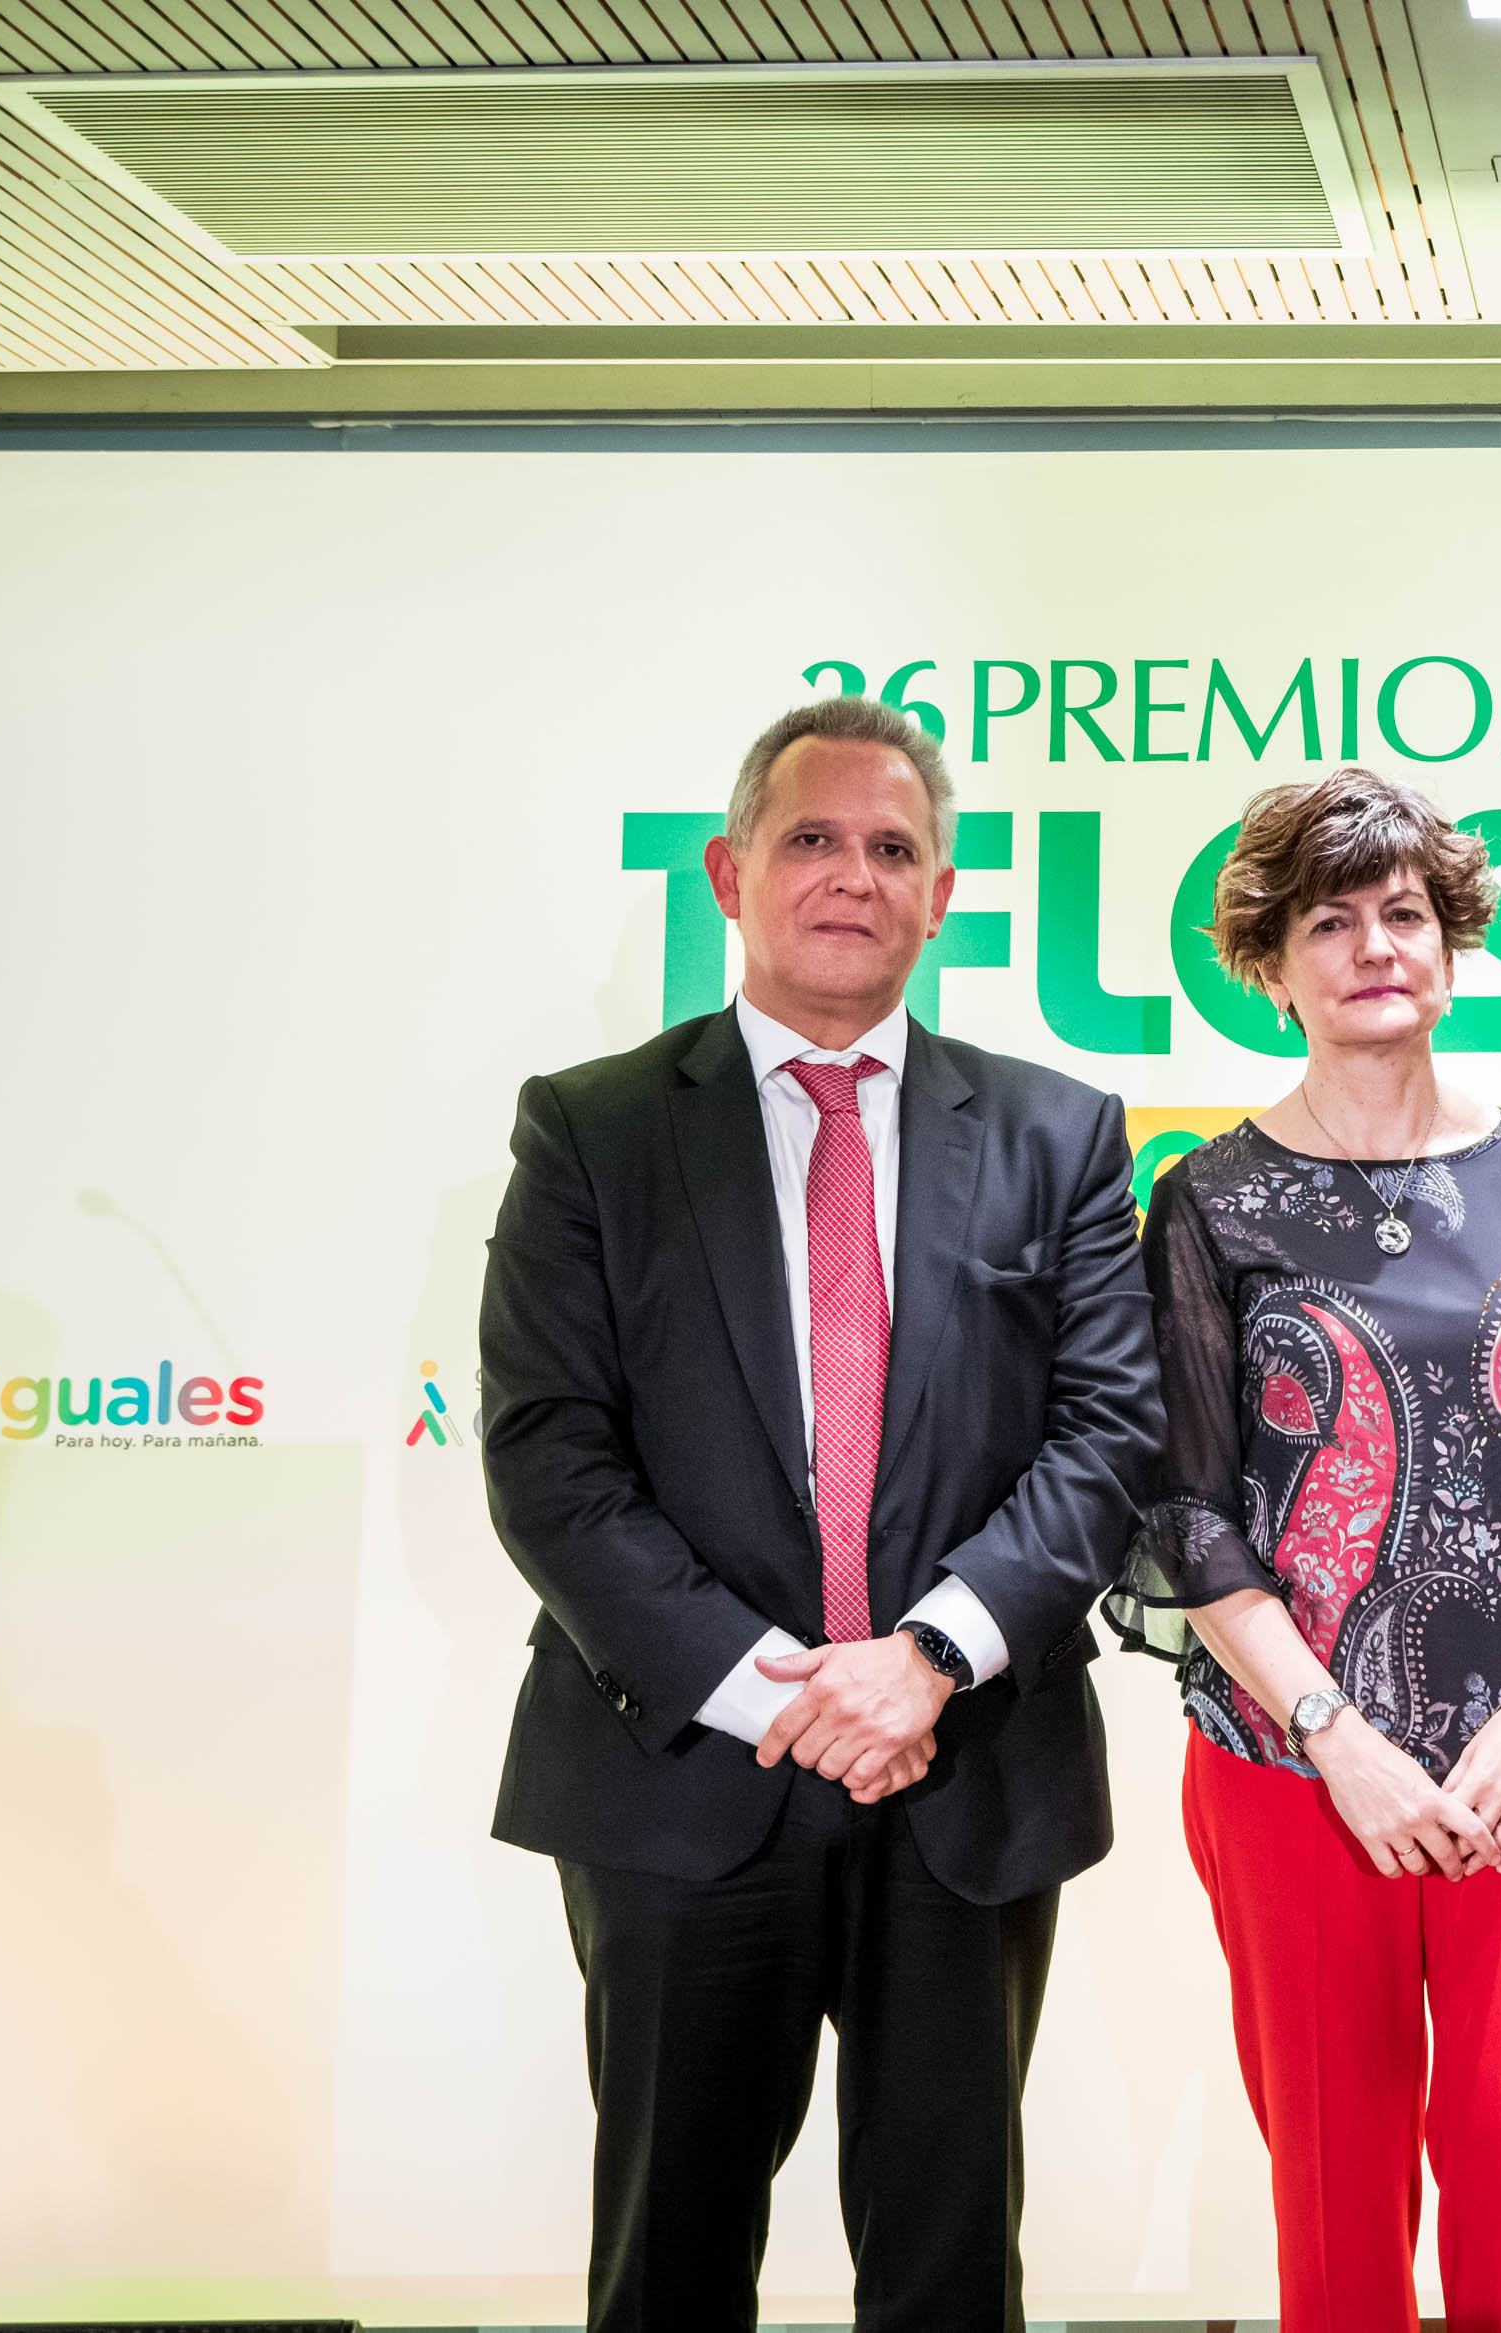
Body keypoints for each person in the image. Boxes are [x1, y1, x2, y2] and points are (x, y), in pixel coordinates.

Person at [479, 696, 1163, 2333]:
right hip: (684, 1765)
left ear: (941, 895)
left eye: (892, 847)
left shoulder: (1059, 1134)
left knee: (947, 2263)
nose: (851, 872)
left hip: (968, 1763)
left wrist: (920, 1658)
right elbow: (548, 1454)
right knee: (671, 2257)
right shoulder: (594, 1129)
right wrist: (786, 1689)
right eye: (810, 838)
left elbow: (1110, 1429)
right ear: (727, 872)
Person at [1109, 768, 1501, 2333]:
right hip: (1293, 1763)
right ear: (1273, 962)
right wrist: (1334, 1734)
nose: (1376, 944)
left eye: (1406, 913)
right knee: (1338, 2199)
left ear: (1453, 942)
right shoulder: (1210, 1199)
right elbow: (1191, 1511)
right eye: (1331, 919)